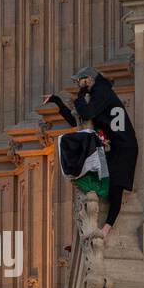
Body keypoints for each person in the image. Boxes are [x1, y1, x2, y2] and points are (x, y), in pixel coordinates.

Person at [47, 65, 138, 237]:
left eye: (80, 81)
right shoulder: (99, 93)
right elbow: (77, 121)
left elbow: (86, 113)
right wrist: (57, 101)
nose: (78, 84)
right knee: (103, 182)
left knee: (115, 188)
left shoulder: (102, 91)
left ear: (89, 79)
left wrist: (80, 95)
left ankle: (106, 229)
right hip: (114, 146)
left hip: (124, 147)